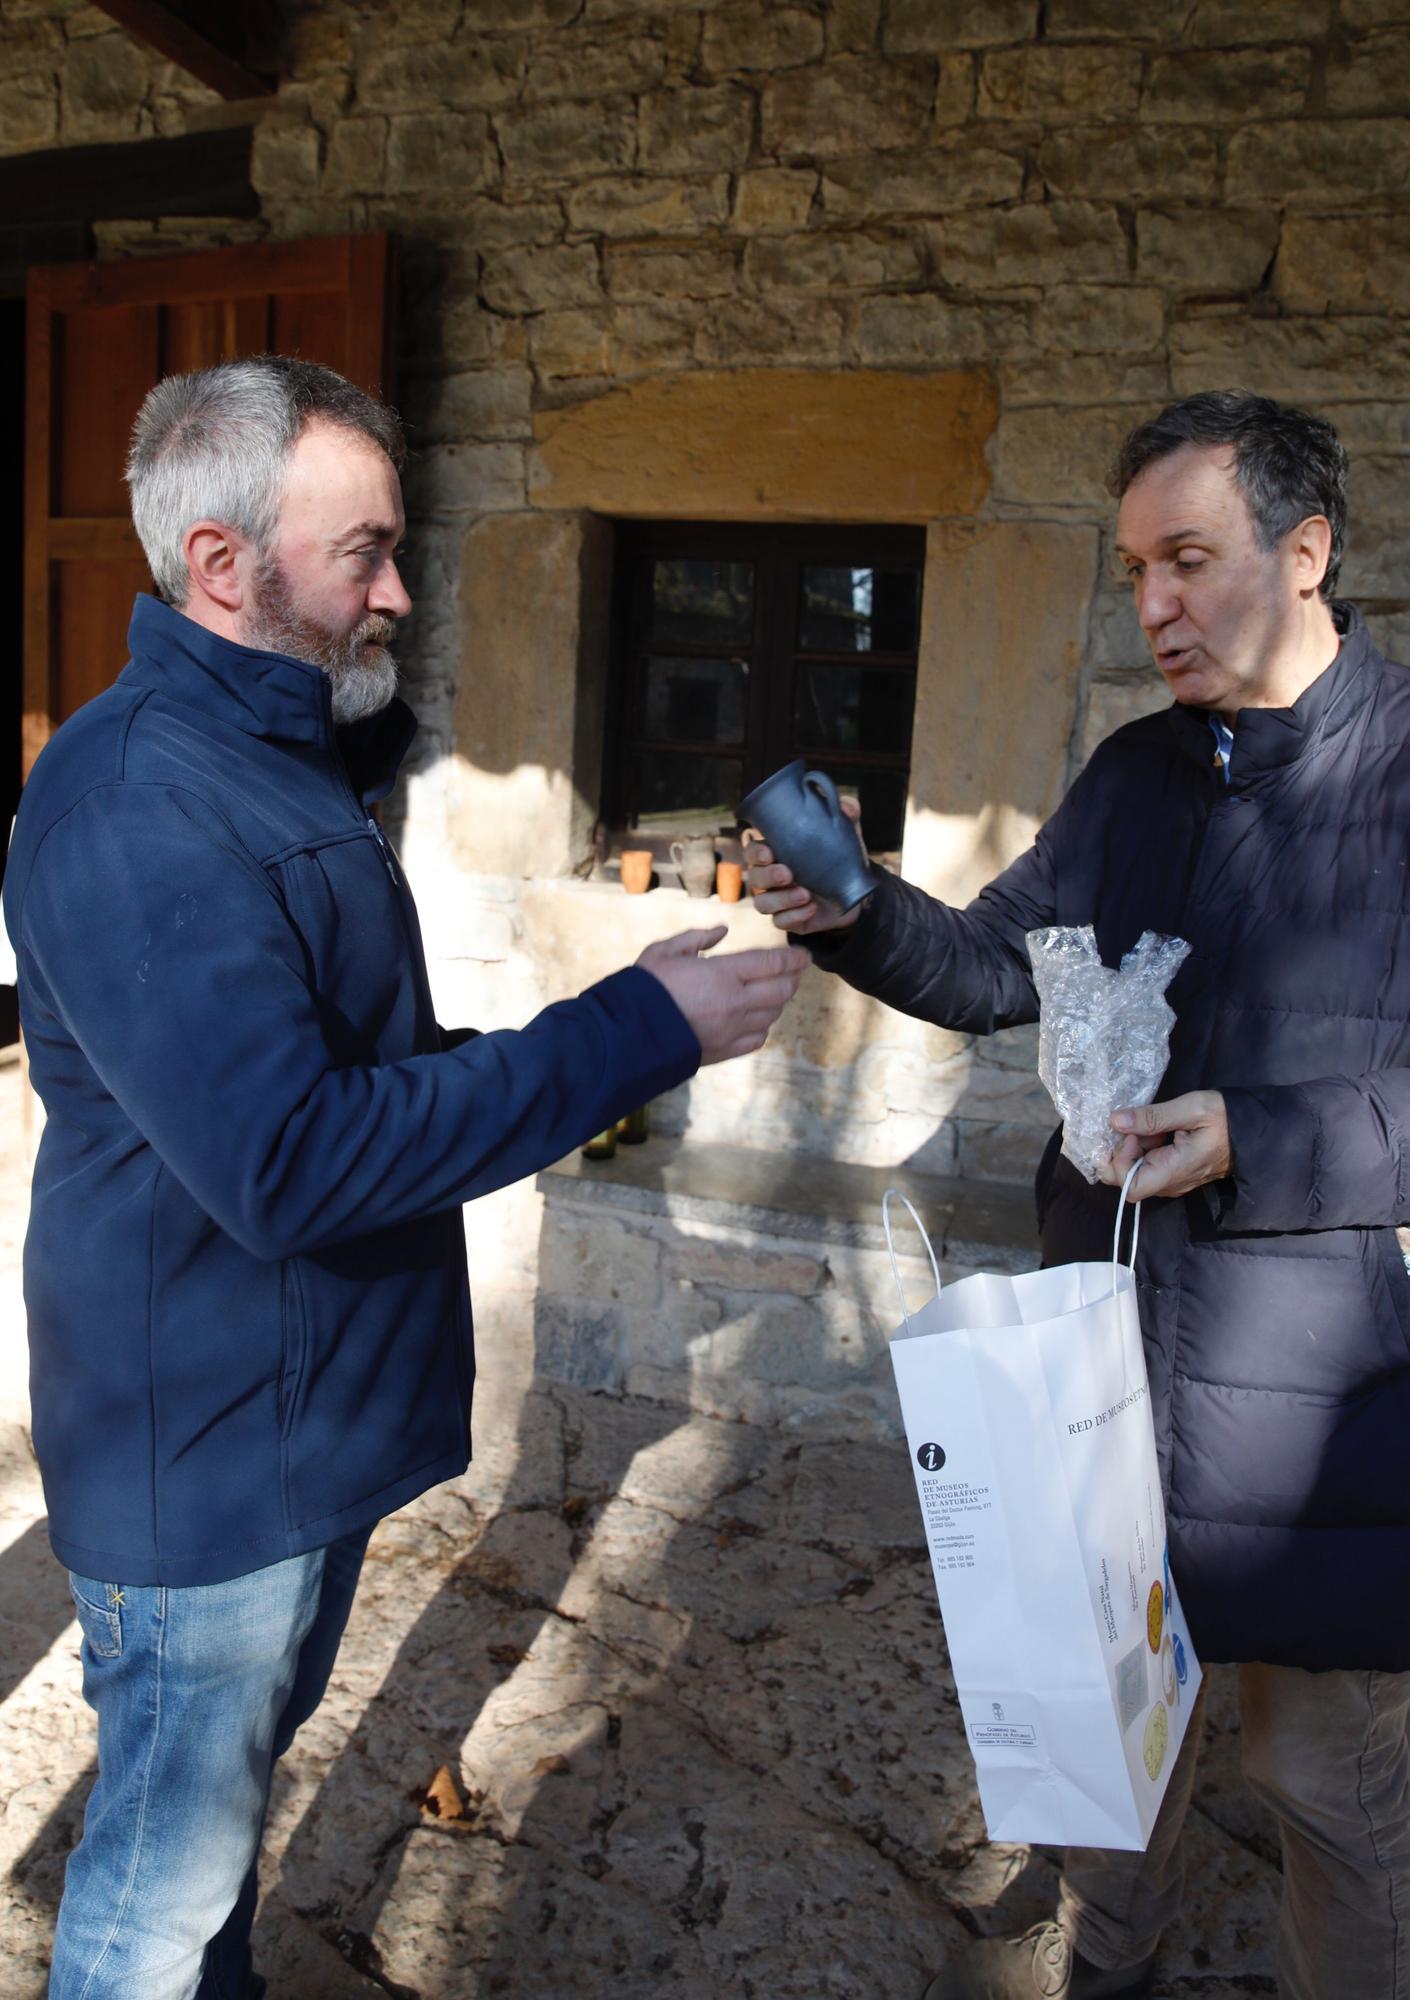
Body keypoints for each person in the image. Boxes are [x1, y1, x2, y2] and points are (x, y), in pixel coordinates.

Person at [3, 354, 806, 1999]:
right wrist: (631, 1034)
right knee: (154, 1900)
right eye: (362, 551)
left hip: (288, 1428)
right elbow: (292, 1160)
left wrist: (607, 1014)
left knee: (208, 1849)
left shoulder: (275, 755)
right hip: (203, 1463)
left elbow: (346, 1065)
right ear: (225, 567)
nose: (399, 589)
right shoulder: (140, 807)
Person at [747, 390, 1410, 2000]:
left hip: (1317, 1405)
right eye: (1131, 571)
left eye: (1186, 560)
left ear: (1304, 550)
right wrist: (849, 908)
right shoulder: (1133, 774)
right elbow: (989, 969)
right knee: (1100, 1775)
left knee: (1329, 1798)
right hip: (1092, 1360)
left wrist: (1262, 1134)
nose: (1153, 606)